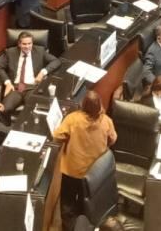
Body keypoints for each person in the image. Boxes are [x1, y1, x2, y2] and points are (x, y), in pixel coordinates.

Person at [54, 91, 117, 231]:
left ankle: (68, 228)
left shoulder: (72, 119)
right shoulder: (106, 121)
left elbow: (57, 136)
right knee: (86, 200)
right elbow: (113, 139)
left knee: (68, 201)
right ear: (99, 105)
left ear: (84, 105)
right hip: (94, 174)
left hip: (72, 170)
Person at [0, 31, 60, 114]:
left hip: (32, 87)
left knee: (33, 109)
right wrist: (7, 82)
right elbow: (0, 68)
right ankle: (7, 127)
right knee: (3, 109)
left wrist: (43, 72)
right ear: (19, 44)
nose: (27, 46)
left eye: (29, 43)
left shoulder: (40, 51)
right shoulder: (10, 52)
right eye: (24, 44)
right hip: (15, 88)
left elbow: (56, 61)